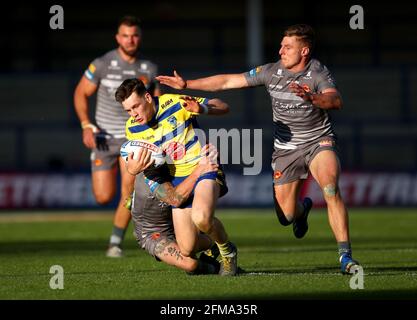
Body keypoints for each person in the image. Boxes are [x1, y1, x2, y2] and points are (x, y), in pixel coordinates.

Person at [156, 24, 360, 274]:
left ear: (304, 51)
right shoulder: (271, 71)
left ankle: (345, 257)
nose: (281, 50)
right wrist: (187, 83)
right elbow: (228, 81)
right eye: (282, 45)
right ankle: (301, 210)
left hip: (318, 140)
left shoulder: (317, 72)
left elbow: (335, 100)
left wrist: (313, 98)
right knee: (286, 215)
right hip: (285, 149)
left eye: (288, 47)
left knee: (330, 188)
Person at [115, 78, 239, 276]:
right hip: (177, 180)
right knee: (187, 249)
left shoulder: (174, 103)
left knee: (201, 218)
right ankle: (213, 245)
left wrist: (202, 109)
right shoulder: (132, 128)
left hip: (204, 165)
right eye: (128, 111)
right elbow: (134, 162)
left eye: (135, 107)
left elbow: (223, 106)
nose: (133, 114)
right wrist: (133, 168)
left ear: (147, 97)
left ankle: (228, 252)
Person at [73, 16, 160, 258]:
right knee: (103, 197)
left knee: (128, 191)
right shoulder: (102, 64)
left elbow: (156, 101)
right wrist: (86, 125)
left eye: (134, 35)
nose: (130, 40)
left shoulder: (149, 68)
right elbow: (81, 93)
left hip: (132, 139)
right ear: (117, 38)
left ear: (139, 38)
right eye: (125, 35)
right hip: (102, 138)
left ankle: (115, 243)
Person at [130, 144, 222, 275]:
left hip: (177, 222)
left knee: (199, 223)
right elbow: (175, 199)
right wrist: (199, 170)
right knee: (191, 265)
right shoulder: (151, 175)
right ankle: (215, 268)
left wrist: (210, 153)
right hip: (152, 233)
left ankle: (218, 243)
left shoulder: (181, 164)